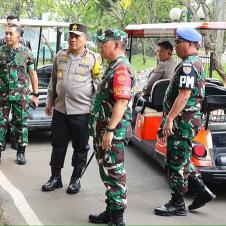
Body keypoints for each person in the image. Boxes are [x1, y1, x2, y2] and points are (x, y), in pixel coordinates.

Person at [154, 27, 215, 217]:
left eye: (178, 42)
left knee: (175, 161)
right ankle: (202, 191)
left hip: (182, 121)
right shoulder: (193, 63)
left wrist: (170, 119)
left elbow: (184, 95)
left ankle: (177, 203)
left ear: (189, 44)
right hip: (187, 120)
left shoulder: (188, 65)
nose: (176, 46)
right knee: (183, 158)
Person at [41, 23, 102, 194]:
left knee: (80, 147)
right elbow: (53, 81)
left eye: (77, 36)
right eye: (71, 36)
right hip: (61, 109)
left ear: (85, 39)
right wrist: (49, 102)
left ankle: (76, 179)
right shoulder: (60, 56)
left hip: (82, 112)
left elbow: (98, 86)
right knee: (57, 144)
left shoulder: (93, 58)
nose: (73, 39)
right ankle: (55, 177)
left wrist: (95, 112)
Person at [88, 29, 134, 226]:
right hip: (104, 129)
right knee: (107, 172)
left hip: (112, 132)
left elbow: (122, 102)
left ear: (116, 45)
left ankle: (117, 219)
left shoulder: (121, 69)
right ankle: (110, 211)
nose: (100, 47)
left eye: (104, 44)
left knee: (114, 174)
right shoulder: (112, 66)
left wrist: (110, 130)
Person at [0, 24, 39, 165]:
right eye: (6, 33)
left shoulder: (26, 52)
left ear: (18, 36)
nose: (7, 36)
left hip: (21, 95)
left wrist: (35, 94)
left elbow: (32, 73)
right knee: (0, 122)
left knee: (21, 123)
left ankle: (21, 153)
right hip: (2, 94)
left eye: (10, 34)